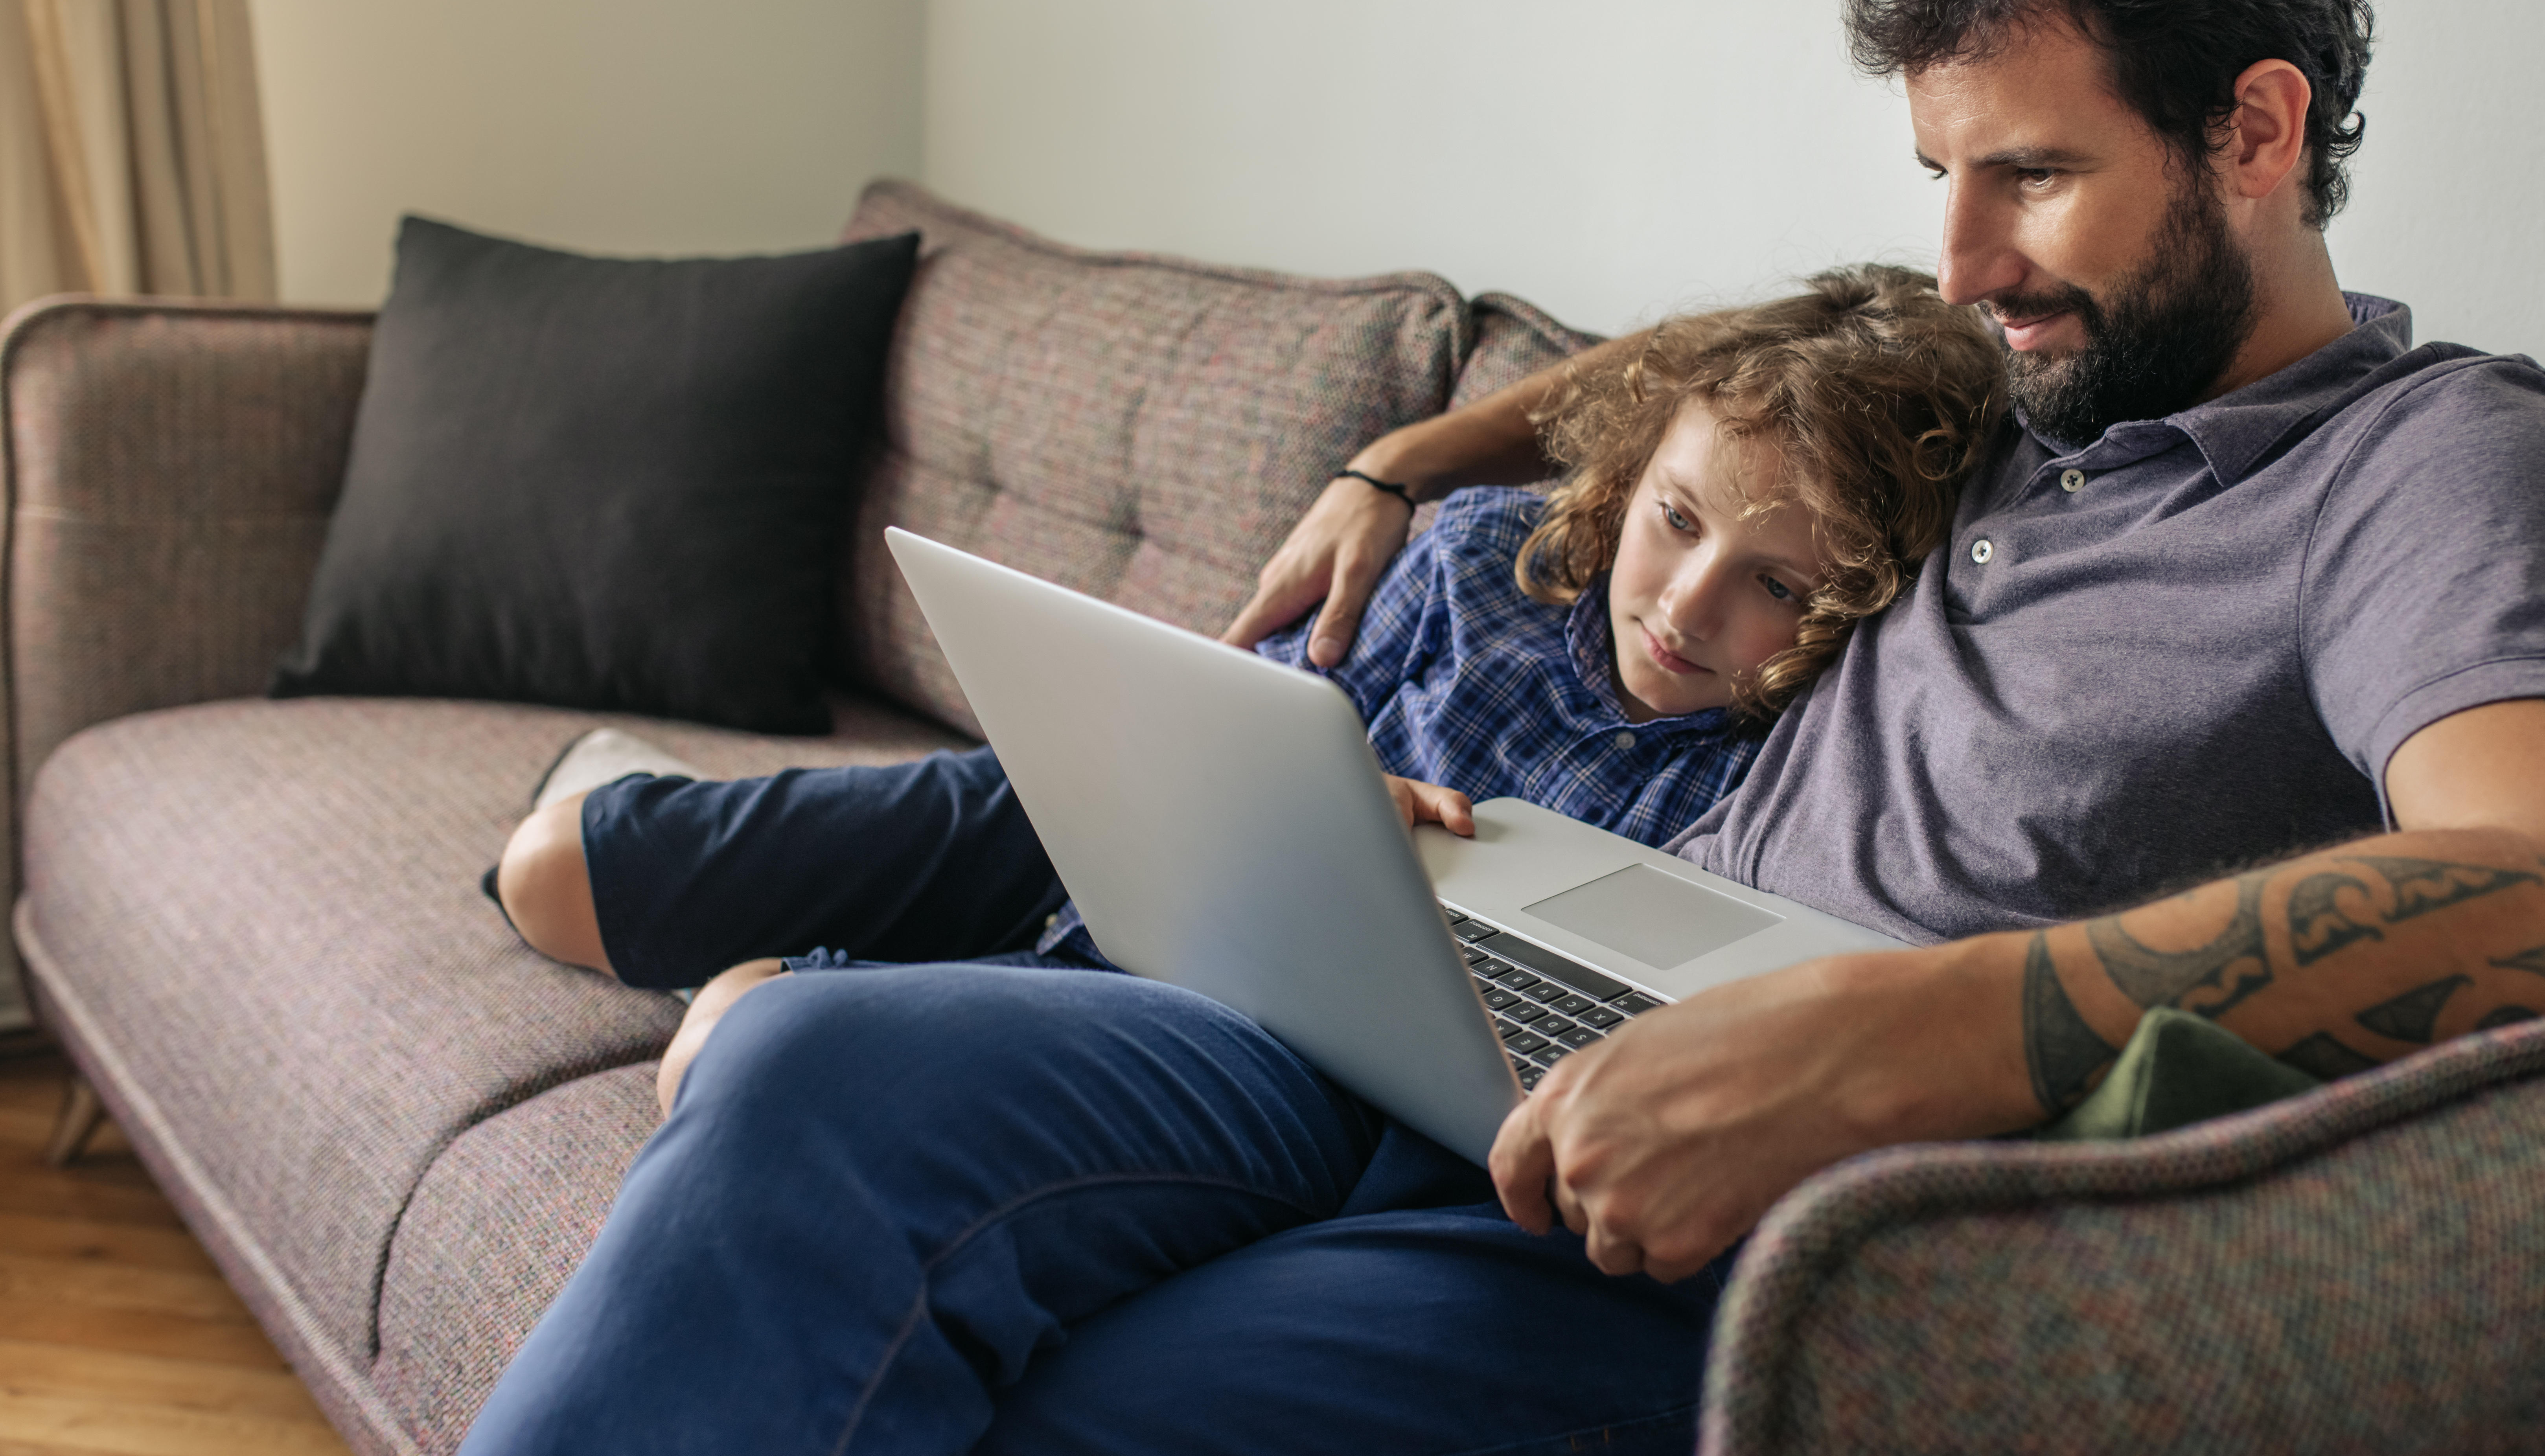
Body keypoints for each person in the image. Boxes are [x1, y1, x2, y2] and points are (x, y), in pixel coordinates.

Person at [406, 0, 2545, 1456]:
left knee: (997, 1430)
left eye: (2033, 177)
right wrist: (1402, 458)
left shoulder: (2438, 460)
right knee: (810, 1062)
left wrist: (1911, 1027)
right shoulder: (2030, 377)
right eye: (1938, 180)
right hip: (1511, 989)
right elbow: (1710, 356)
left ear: (2260, 136)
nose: (1966, 261)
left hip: (1806, 1224)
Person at [488, 265, 2002, 1107]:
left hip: (1198, 971)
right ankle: (671, 817)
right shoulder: (1485, 555)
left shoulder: (1763, 782)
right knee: (549, 874)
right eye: (1676, 522)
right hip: (1108, 824)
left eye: (1780, 588)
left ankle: (780, 955)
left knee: (746, 1036)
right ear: (1631, 466)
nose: (1686, 604)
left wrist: (1377, 869)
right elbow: (1245, 710)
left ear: (1857, 607)